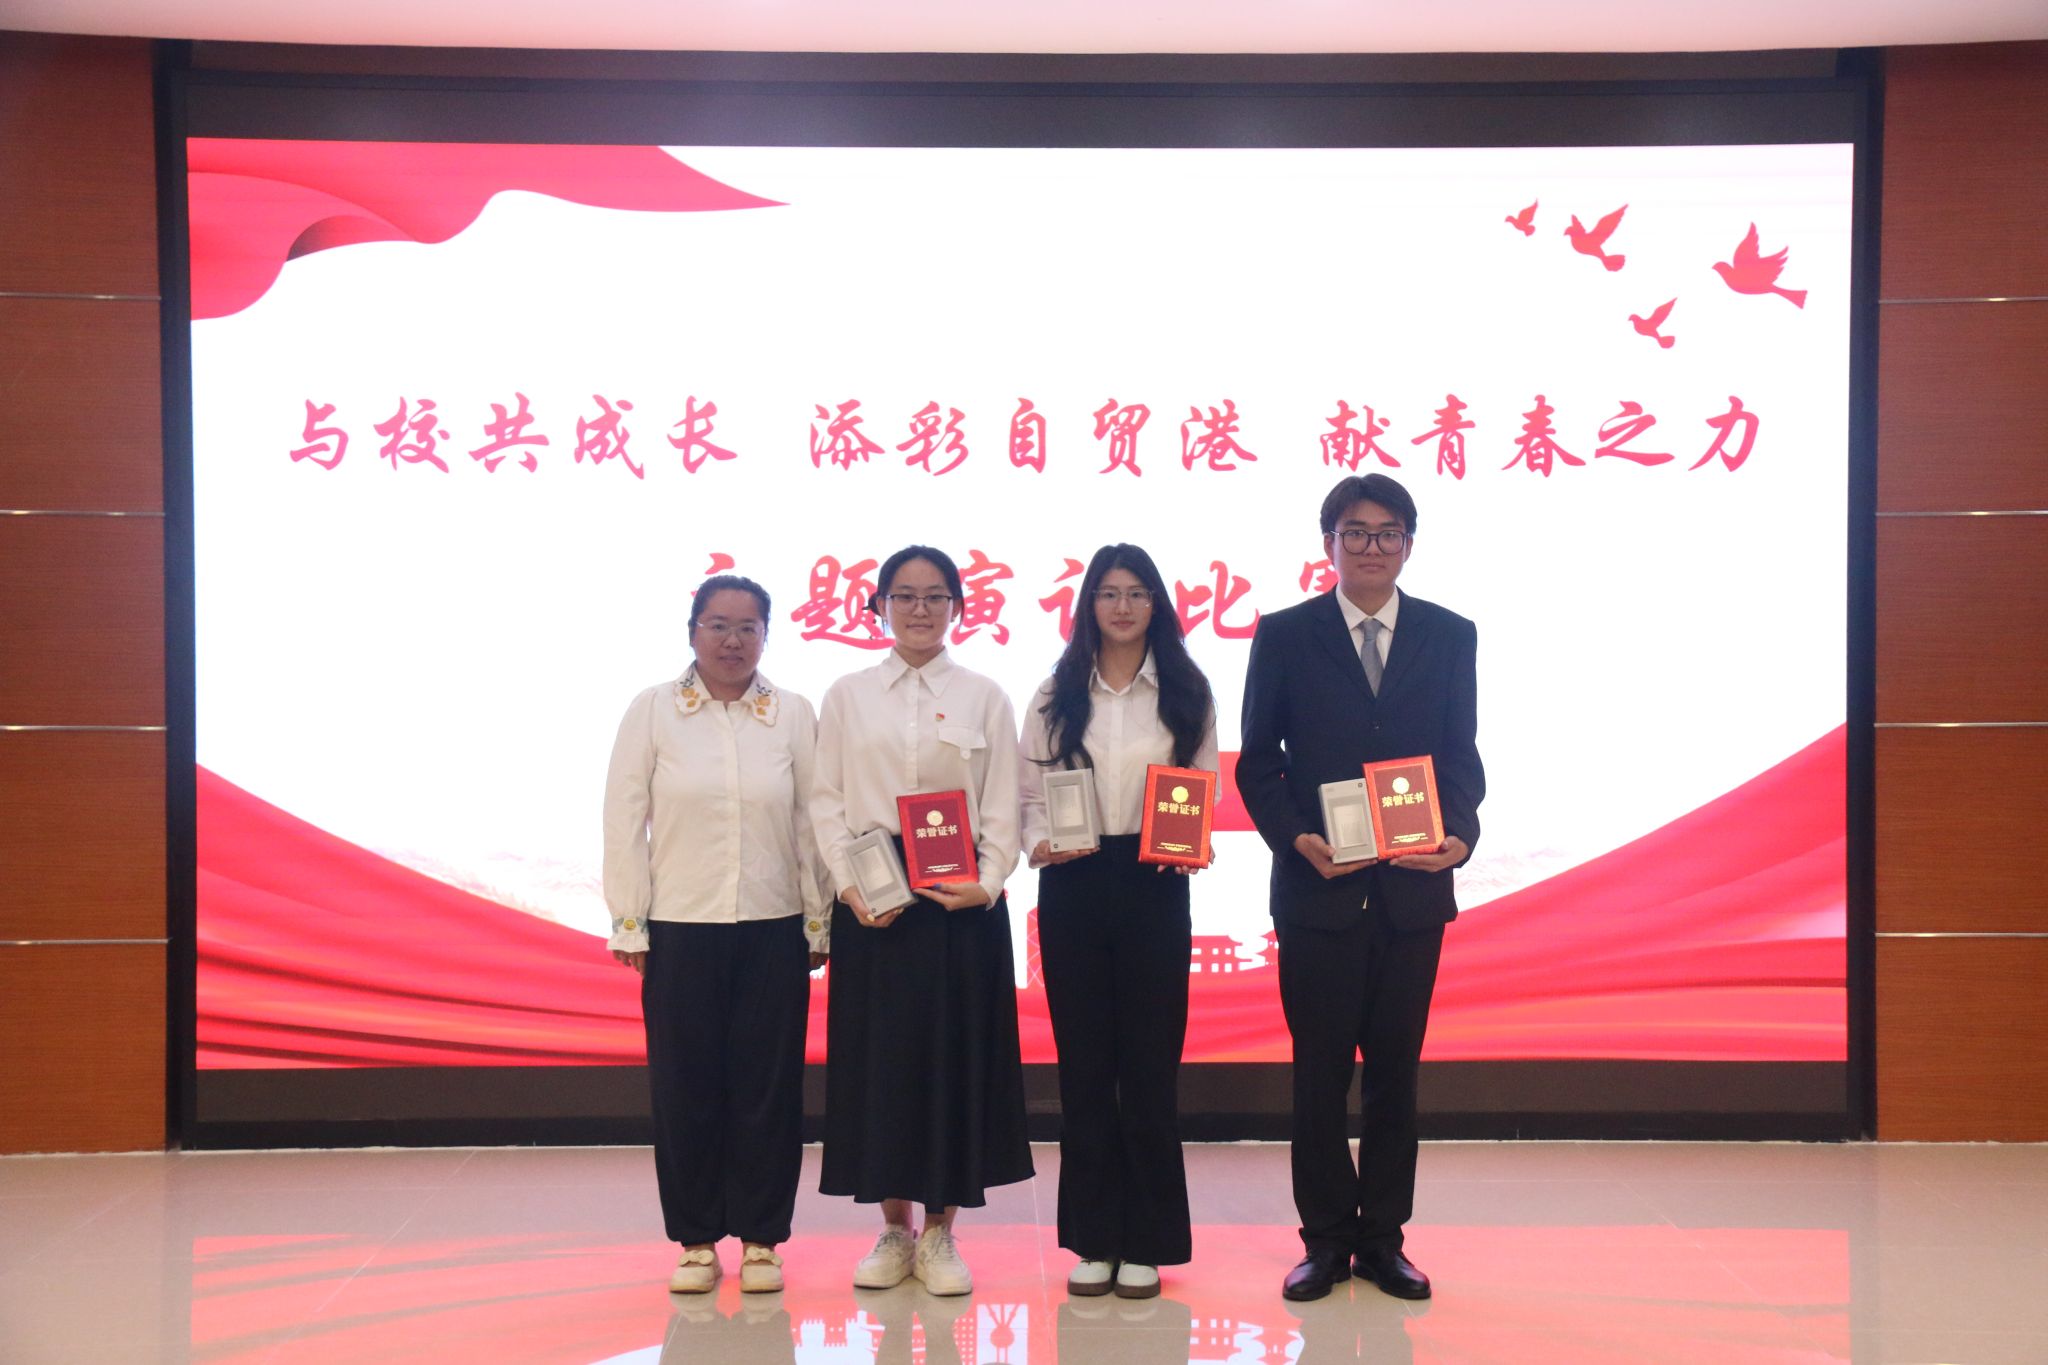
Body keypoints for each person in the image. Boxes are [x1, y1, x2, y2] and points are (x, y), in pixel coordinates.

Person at [1235, 472, 1485, 1303]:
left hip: (1412, 897)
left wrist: (1459, 836)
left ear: (1407, 544)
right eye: (1355, 531)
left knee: (1394, 1077)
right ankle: (1324, 1241)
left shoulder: (1449, 634)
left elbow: (1460, 757)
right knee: (1318, 1075)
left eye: (1386, 532)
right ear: (1329, 543)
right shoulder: (1286, 633)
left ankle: (1383, 1240)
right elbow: (1259, 762)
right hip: (1320, 890)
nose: (1371, 546)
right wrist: (1295, 838)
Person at [810, 545, 1033, 1296]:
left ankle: (941, 1233)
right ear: (877, 606)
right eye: (903, 596)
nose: (919, 609)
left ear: (957, 608)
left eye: (935, 596)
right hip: (874, 898)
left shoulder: (983, 695)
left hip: (958, 903)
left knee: (950, 1065)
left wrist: (989, 882)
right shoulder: (847, 695)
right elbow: (826, 798)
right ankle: (893, 1227)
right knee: (881, 1066)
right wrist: (847, 885)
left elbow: (1002, 800)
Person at [603, 574, 831, 1296]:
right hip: (681, 926)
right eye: (718, 625)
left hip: (773, 924)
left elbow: (812, 821)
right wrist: (630, 917)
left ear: (767, 635)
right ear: (692, 631)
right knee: (685, 1087)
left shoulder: (792, 713)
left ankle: (762, 1239)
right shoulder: (653, 711)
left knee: (769, 1089)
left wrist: (819, 916)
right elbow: (623, 818)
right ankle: (696, 1239)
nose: (733, 641)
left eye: (748, 627)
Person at [1018, 544, 1216, 1300]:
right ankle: (1095, 1237)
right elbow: (1028, 794)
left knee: (1150, 1065)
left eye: (1137, 593)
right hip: (1073, 880)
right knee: (1086, 1066)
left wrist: (1192, 841)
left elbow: (1200, 783)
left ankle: (1150, 1240)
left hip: (1154, 883)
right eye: (1108, 593)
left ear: (1156, 603)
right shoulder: (1055, 692)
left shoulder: (1188, 690)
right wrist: (1042, 842)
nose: (1123, 606)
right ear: (1089, 605)